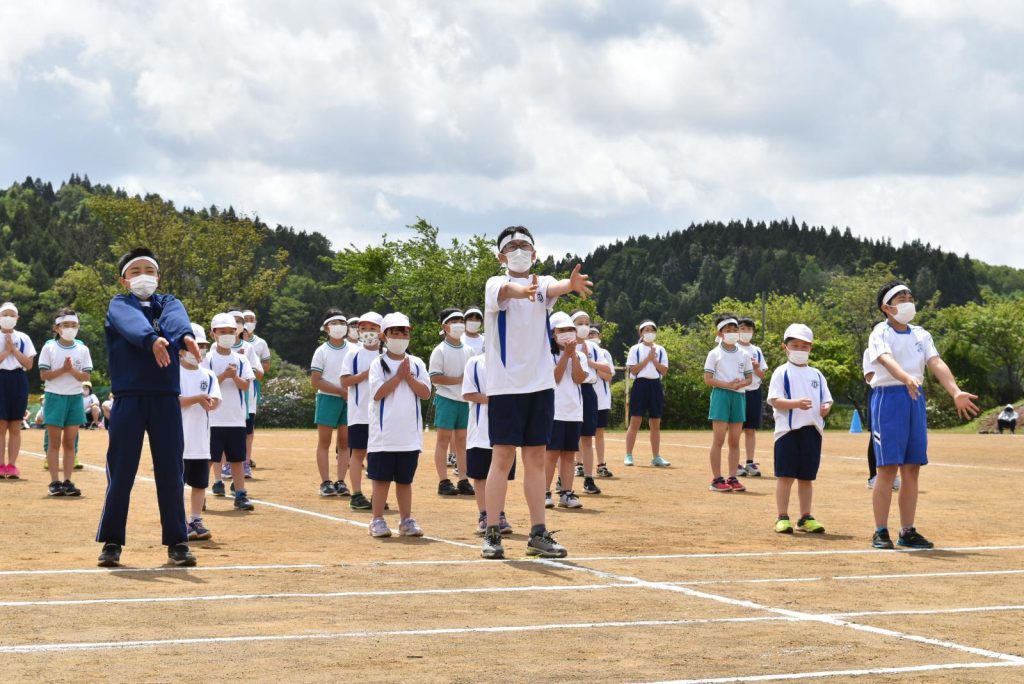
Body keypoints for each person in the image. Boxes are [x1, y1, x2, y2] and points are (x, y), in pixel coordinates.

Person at [480, 225, 592, 560]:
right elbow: (508, 291)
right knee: (501, 458)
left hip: (541, 386)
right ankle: (492, 532)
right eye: (512, 246)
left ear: (535, 253)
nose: (518, 249)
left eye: (524, 245)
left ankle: (538, 533)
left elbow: (553, 287)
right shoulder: (494, 285)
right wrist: (521, 291)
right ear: (502, 255)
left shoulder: (543, 285)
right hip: (505, 387)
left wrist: (570, 286)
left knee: (535, 460)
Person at [95, 247, 203, 568]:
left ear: (158, 276)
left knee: (171, 471)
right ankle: (112, 542)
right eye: (135, 271)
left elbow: (175, 319)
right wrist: (151, 339)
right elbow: (128, 323)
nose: (144, 276)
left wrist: (183, 336)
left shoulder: (168, 303)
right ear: (124, 279)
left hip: (165, 398)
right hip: (128, 398)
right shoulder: (119, 304)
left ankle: (178, 541)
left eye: (150, 270)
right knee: (122, 471)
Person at [866, 281, 979, 550]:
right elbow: (884, 358)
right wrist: (906, 378)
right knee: (886, 469)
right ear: (886, 307)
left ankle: (907, 530)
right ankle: (880, 531)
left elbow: (936, 363)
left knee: (912, 468)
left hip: (914, 398)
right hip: (889, 397)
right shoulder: (879, 332)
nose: (907, 300)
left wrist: (955, 392)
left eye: (910, 296)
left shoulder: (921, 334)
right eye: (900, 297)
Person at [366, 312, 432, 538]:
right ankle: (377, 520)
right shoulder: (377, 364)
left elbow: (425, 393)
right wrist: (398, 377)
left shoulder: (417, 363)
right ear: (384, 336)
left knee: (405, 480)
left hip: (409, 436)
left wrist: (409, 377)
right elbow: (377, 393)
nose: (401, 336)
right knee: (381, 479)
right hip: (383, 436)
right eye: (395, 332)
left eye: (404, 332)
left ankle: (406, 520)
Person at [767, 324, 832, 534]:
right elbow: (775, 400)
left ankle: (805, 517)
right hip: (788, 431)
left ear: (811, 348)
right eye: (794, 345)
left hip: (812, 431)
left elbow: (827, 400)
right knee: (785, 476)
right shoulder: (781, 372)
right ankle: (782, 516)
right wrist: (795, 403)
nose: (799, 349)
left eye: (804, 346)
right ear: (784, 347)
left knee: (806, 478)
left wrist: (826, 408)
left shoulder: (817, 375)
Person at [203, 313, 256, 512]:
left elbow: (245, 386)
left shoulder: (241, 359)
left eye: (230, 332)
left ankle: (240, 493)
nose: (227, 335)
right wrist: (224, 375)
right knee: (209, 458)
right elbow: (205, 384)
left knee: (237, 458)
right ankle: (201, 493)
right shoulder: (207, 359)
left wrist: (234, 377)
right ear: (213, 334)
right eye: (222, 331)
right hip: (213, 418)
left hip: (236, 418)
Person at [38, 308, 91, 496]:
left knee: (70, 442)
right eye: (66, 325)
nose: (70, 328)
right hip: (54, 396)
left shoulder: (82, 348)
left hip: (75, 398)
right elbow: (44, 375)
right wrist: (63, 369)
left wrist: (71, 371)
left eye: (74, 325)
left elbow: (84, 375)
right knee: (54, 442)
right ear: (57, 327)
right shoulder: (49, 347)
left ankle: (68, 481)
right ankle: (54, 482)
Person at [462, 351, 515, 536]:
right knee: (480, 475)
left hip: (506, 427)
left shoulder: (513, 360)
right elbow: (468, 393)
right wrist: (495, 401)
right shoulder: (475, 362)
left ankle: (499, 514)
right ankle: (485, 515)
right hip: (480, 429)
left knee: (502, 473)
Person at [179, 323, 221, 541]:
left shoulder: (209, 374)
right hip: (178, 441)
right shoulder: (173, 373)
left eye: (203, 346)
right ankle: (177, 521)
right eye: (195, 346)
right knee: (176, 484)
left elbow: (215, 400)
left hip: (201, 441)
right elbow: (173, 402)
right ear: (181, 350)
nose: (200, 351)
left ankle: (195, 519)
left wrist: (210, 402)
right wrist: (196, 399)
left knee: (199, 483)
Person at [703, 314, 753, 492]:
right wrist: (727, 385)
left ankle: (732, 478)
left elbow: (749, 378)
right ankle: (717, 479)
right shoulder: (714, 353)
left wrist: (741, 384)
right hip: (721, 395)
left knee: (734, 440)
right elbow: (708, 379)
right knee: (718, 439)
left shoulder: (744, 354)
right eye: (728, 330)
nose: (732, 333)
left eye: (734, 330)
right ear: (720, 332)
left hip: (738, 396)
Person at [429, 308, 475, 496]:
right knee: (443, 440)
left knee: (463, 441)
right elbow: (435, 377)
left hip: (464, 401)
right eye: (453, 320)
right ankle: (443, 481)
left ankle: (463, 479)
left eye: (460, 320)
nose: (458, 324)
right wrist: (459, 380)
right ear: (444, 326)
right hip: (446, 399)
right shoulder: (439, 350)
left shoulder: (469, 350)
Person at [340, 311, 383, 510]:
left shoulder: (386, 354)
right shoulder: (353, 353)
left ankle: (378, 495)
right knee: (358, 453)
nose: (367, 333)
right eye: (364, 329)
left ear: (381, 331)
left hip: (382, 415)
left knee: (378, 455)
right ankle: (356, 494)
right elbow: (345, 381)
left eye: (372, 328)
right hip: (358, 413)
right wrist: (364, 375)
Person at [545, 312, 588, 510]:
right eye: (562, 330)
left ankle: (567, 493)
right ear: (553, 333)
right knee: (551, 454)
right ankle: (544, 492)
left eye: (570, 329)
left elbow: (579, 378)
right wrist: (565, 357)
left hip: (573, 411)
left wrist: (573, 356)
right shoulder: (548, 354)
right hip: (553, 411)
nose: (567, 333)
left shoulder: (579, 355)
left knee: (569, 454)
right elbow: (555, 378)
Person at [310, 308, 352, 497]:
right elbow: (316, 380)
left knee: (345, 443)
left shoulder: (354, 349)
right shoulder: (321, 351)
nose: (339, 327)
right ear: (326, 328)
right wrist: (340, 391)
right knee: (324, 443)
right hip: (328, 398)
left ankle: (341, 481)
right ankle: (325, 482)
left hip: (350, 400)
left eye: (342, 323)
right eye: (334, 323)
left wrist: (348, 392)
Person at [570, 311, 608, 495]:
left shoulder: (594, 348)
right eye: (579, 323)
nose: (584, 326)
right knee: (567, 439)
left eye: (586, 323)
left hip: (588, 391)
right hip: (568, 391)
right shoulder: (562, 344)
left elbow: (607, 369)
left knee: (587, 438)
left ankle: (588, 478)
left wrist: (589, 360)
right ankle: (563, 482)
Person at [623, 321, 670, 467]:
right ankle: (629, 455)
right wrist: (647, 359)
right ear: (641, 333)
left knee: (655, 422)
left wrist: (654, 359)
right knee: (635, 421)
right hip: (640, 385)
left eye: (652, 330)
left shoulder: (660, 349)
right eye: (646, 330)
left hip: (655, 385)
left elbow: (664, 371)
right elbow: (633, 370)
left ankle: (656, 456)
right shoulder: (635, 349)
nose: (649, 332)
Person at [0, 301, 36, 480]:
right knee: (0, 425)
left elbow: (29, 364)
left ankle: (11, 465)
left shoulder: (23, 338)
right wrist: (6, 352)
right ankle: (0, 465)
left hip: (18, 379)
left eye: (11, 315)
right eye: (4, 314)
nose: (8, 318)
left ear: (17, 318)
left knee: (15, 425)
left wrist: (13, 349)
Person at [228, 310, 263, 479]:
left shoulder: (248, 347)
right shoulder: (215, 347)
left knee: (247, 432)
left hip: (246, 397)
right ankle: (226, 465)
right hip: (225, 398)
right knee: (225, 431)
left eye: (240, 321)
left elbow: (258, 372)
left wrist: (244, 362)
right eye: (234, 320)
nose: (237, 324)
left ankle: (246, 463)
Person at [737, 317, 768, 477]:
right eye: (742, 328)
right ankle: (735, 463)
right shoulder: (732, 347)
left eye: (749, 329)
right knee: (736, 428)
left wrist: (756, 367)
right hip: (737, 392)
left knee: (750, 429)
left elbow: (762, 374)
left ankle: (750, 462)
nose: (746, 332)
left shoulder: (756, 350)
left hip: (754, 391)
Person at [863, 349, 899, 491]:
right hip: (878, 393)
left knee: (895, 435)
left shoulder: (896, 348)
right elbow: (870, 376)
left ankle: (893, 476)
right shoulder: (869, 351)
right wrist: (891, 377)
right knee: (875, 436)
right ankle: (873, 477)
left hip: (897, 393)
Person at [241, 309, 272, 468]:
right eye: (245, 319)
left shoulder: (260, 343)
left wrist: (253, 366)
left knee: (249, 421)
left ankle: (247, 456)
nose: (248, 321)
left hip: (252, 384)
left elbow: (266, 365)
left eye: (251, 319)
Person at [588, 326, 615, 478]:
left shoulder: (604, 353)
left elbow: (609, 376)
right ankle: (579, 465)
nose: (592, 335)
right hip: (584, 399)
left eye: (594, 333)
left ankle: (601, 464)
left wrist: (593, 365)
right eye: (590, 333)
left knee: (599, 432)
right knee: (581, 434)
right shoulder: (580, 351)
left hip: (601, 399)